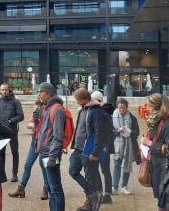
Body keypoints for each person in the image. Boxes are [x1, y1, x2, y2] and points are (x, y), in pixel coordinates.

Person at [8, 91, 48, 200]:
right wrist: (33, 123)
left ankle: (46, 189)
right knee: (27, 165)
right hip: (35, 140)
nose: (39, 96)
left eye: (41, 94)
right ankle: (21, 189)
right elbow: (33, 122)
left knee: (44, 166)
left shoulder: (49, 109)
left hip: (45, 142)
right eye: (38, 95)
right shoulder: (37, 109)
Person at [68, 88, 102, 211]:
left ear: (82, 99)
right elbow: (79, 130)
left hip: (87, 150)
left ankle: (90, 203)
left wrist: (94, 152)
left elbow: (99, 133)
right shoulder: (82, 110)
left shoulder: (95, 111)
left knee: (89, 176)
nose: (76, 101)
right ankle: (92, 194)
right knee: (72, 171)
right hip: (78, 148)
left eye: (77, 99)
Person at [140, 93, 169, 207]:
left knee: (163, 201)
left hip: (164, 168)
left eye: (149, 106)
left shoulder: (168, 123)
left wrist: (148, 143)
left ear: (157, 107)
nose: (147, 109)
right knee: (160, 199)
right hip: (157, 166)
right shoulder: (155, 121)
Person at [36, 82, 65, 211]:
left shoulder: (57, 109)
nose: (39, 94)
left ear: (48, 93)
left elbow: (58, 135)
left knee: (55, 187)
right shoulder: (47, 107)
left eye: (41, 92)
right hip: (44, 152)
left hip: (50, 154)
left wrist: (52, 156)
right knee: (50, 187)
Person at [0, 83, 24, 182]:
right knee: (0, 153)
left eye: (6, 90)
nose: (4, 91)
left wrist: (11, 120)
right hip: (1, 131)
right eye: (2, 90)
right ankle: (2, 174)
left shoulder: (16, 102)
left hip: (12, 131)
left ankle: (14, 174)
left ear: (9, 90)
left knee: (14, 152)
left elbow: (21, 116)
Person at [89, 91, 114, 204]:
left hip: (101, 146)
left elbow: (99, 132)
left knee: (100, 170)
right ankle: (106, 194)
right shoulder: (106, 113)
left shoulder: (99, 113)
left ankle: (103, 194)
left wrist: (95, 150)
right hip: (105, 146)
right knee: (105, 170)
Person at [111, 98, 140, 196]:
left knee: (126, 166)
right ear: (117, 107)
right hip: (117, 145)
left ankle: (124, 186)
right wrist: (117, 131)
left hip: (129, 145)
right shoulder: (112, 117)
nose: (121, 109)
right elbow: (110, 131)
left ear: (127, 107)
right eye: (120, 107)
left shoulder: (132, 117)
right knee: (117, 166)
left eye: (123, 108)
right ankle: (114, 187)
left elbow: (137, 132)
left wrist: (129, 132)